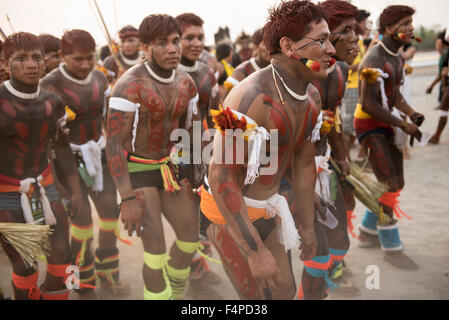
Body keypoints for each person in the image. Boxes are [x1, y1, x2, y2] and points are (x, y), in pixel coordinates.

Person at [200, 0, 334, 299]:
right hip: (227, 214)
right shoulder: (247, 98)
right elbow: (222, 178)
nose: (332, 50)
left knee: (283, 291)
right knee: (260, 298)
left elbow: (302, 164)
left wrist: (308, 228)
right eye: (322, 40)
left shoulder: (311, 96)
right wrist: (254, 250)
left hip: (268, 206)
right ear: (289, 46)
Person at [106, 14, 200, 300]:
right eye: (162, 43)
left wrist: (198, 176)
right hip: (138, 170)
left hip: (171, 168)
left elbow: (193, 134)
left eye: (175, 41)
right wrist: (127, 198)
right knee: (156, 252)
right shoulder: (128, 86)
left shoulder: (187, 83)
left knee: (189, 241)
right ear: (145, 48)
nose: (172, 49)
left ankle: (172, 292)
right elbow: (113, 147)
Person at [40, 29, 131, 298]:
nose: (85, 65)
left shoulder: (100, 76)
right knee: (80, 223)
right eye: (77, 59)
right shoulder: (50, 85)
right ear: (62, 56)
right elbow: (47, 139)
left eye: (90, 58)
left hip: (98, 153)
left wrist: (115, 152)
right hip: (67, 162)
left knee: (108, 214)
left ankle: (108, 270)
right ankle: (83, 277)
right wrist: (59, 183)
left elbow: (106, 119)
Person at [0, 32, 82, 300]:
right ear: (4, 63)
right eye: (20, 59)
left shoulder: (52, 102)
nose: (31, 64)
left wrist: (75, 190)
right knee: (25, 265)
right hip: (7, 193)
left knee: (65, 258)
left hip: (46, 187)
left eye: (36, 57)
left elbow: (61, 150)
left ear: (45, 61)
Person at [292, 0, 360, 299]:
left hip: (325, 165)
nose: (355, 38)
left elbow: (333, 120)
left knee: (339, 243)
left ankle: (322, 286)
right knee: (317, 251)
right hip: (293, 174)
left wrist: (343, 158)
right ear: (326, 37)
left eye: (354, 30)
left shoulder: (339, 73)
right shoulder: (296, 79)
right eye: (346, 31)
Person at [354, 5, 424, 269]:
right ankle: (391, 249)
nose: (410, 28)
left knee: (397, 182)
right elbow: (369, 103)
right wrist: (403, 124)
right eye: (405, 23)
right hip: (368, 125)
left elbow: (393, 95)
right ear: (389, 29)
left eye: (410, 23)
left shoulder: (396, 57)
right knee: (388, 183)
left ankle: (367, 231)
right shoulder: (373, 58)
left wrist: (411, 112)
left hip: (386, 123)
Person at [174, 12, 222, 298]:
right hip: (174, 155)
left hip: (203, 150)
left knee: (204, 211)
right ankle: (185, 272)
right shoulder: (164, 73)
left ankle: (198, 265)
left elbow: (215, 113)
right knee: (187, 218)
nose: (196, 43)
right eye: (188, 37)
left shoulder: (207, 72)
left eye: (200, 37)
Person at [342, 9, 370, 158]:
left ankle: (358, 157)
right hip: (351, 87)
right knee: (349, 127)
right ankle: (348, 160)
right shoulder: (353, 41)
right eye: (365, 22)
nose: (368, 26)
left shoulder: (358, 40)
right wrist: (365, 63)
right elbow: (346, 66)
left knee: (357, 124)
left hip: (358, 86)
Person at [224, 28, 271, 95]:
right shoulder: (240, 72)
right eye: (265, 44)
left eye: (273, 44)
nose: (271, 48)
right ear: (256, 47)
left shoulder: (280, 68)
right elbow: (225, 102)